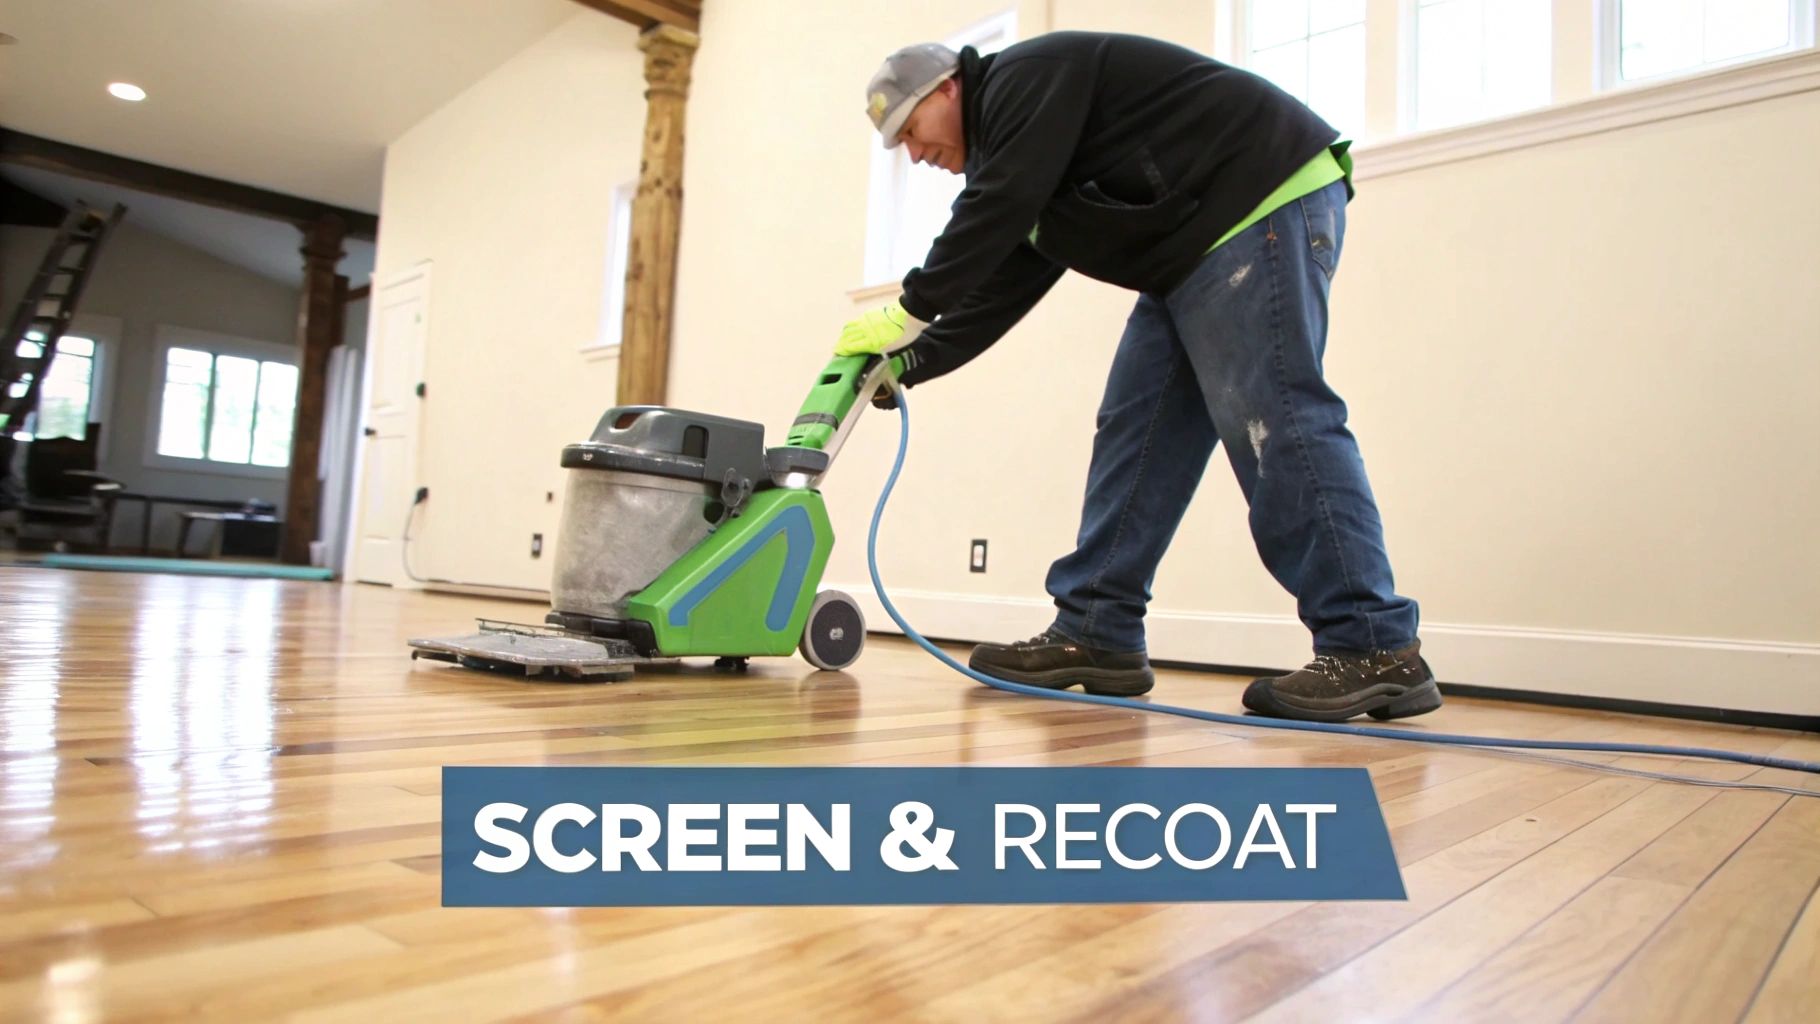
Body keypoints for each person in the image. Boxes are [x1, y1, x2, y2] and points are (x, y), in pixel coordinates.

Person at [836, 31, 1439, 723]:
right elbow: (1002, 283)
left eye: (910, 129)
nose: (912, 153)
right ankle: (1099, 629)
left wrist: (911, 305)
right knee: (1137, 429)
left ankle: (1374, 643)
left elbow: (999, 204)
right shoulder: (1019, 158)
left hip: (1258, 199)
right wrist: (912, 360)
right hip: (1188, 254)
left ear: (947, 89)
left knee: (1275, 417)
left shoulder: (1023, 80)